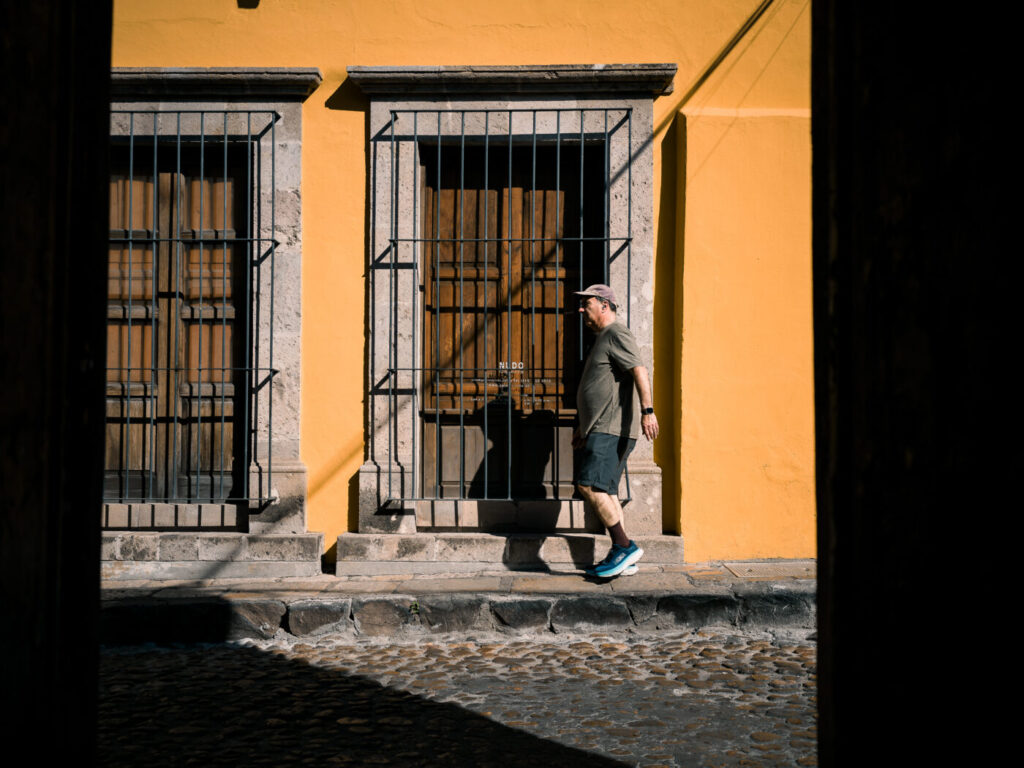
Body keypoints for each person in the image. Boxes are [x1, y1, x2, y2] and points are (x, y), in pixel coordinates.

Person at [572, 284, 659, 578]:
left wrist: (648, 411)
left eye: (587, 304)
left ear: (604, 306)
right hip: (601, 427)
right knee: (605, 490)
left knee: (589, 486)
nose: (582, 309)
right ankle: (622, 557)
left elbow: (639, 369)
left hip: (610, 429)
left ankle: (624, 545)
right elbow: (598, 388)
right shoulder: (601, 339)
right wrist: (581, 425)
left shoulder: (616, 333)